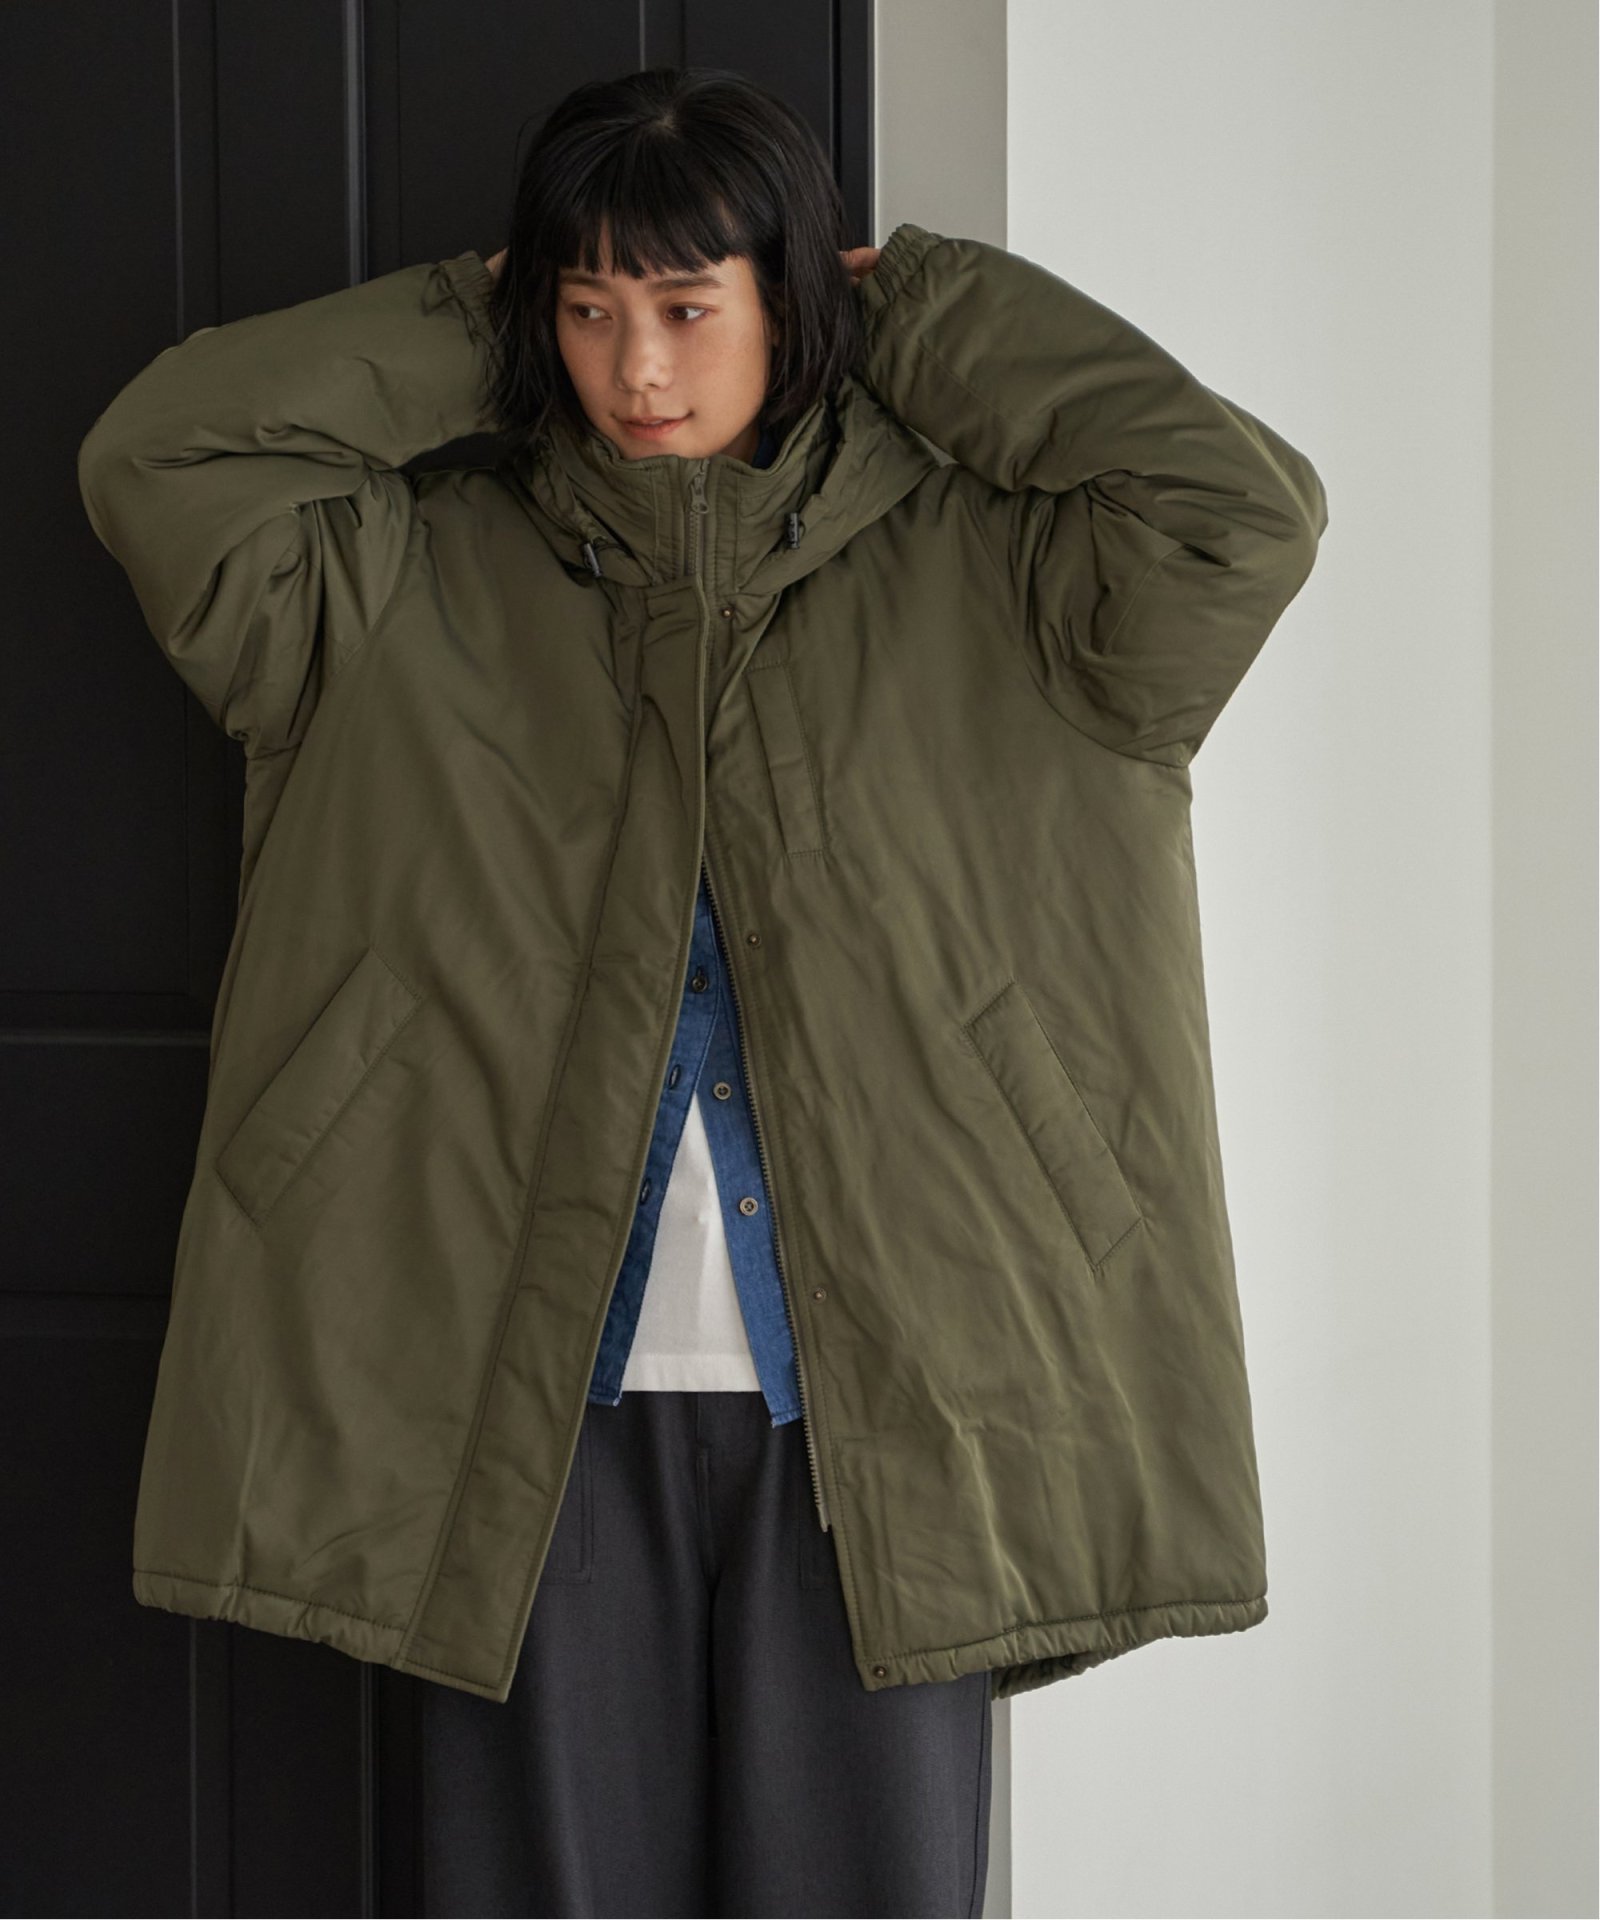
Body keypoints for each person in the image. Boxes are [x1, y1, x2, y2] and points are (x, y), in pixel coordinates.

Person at [78, 59, 1326, 1920]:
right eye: (585, 312)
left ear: (789, 298)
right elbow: (160, 458)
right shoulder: (391, 580)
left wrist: (920, 311)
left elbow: (1242, 507)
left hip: (906, 1396)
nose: (636, 371)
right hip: (511, 1393)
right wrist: (471, 323)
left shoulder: (1021, 582)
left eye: (684, 306)